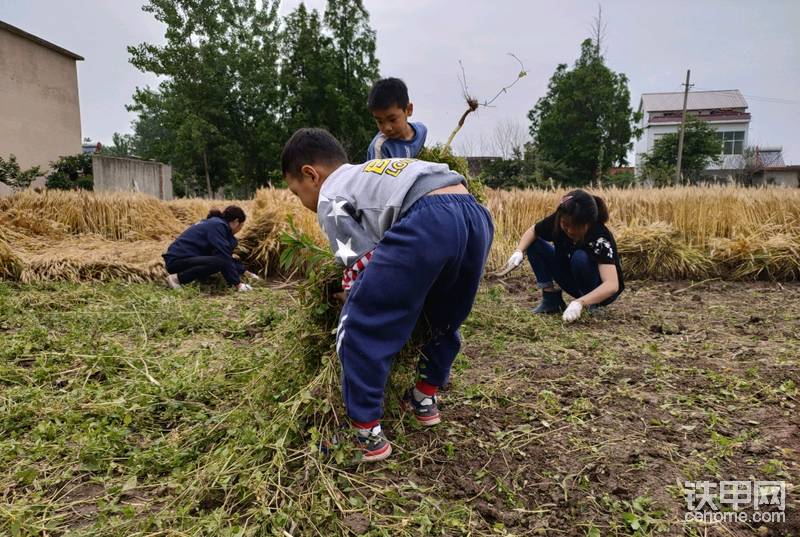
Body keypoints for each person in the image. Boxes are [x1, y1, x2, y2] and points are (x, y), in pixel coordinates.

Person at [282, 128, 493, 462]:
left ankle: (365, 437)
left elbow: (362, 263)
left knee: (360, 328)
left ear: (311, 174)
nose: (303, 202)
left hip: (429, 221)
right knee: (442, 316)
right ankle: (424, 399)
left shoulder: (329, 196)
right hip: (473, 214)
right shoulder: (364, 174)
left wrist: (354, 296)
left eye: (297, 193)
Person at [500, 190, 623, 322]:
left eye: (575, 226)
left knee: (580, 257)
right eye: (565, 225)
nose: (569, 230)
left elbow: (611, 285)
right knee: (533, 243)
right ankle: (551, 300)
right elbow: (533, 230)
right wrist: (519, 251)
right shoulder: (559, 220)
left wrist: (580, 302)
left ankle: (593, 304)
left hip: (600, 291)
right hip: (571, 280)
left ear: (588, 224)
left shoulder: (599, 237)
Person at [163, 206, 259, 292]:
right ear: (236, 222)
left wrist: (246, 273)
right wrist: (238, 284)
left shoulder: (215, 223)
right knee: (219, 261)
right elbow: (223, 257)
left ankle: (190, 279)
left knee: (219, 260)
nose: (240, 230)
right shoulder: (218, 225)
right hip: (177, 260)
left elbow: (226, 258)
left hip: (183, 259)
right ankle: (176, 279)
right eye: (241, 226)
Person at [366, 77, 427, 160]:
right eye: (380, 121)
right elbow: (376, 173)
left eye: (392, 120)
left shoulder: (421, 132)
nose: (387, 128)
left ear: (409, 110)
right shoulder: (381, 147)